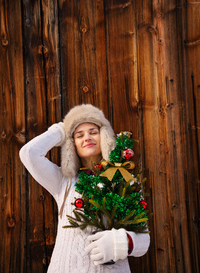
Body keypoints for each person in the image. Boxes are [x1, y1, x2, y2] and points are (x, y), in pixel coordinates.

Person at [19, 104, 150, 273]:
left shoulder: (124, 181)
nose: (87, 137)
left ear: (105, 136)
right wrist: (62, 130)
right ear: (72, 144)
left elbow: (144, 239)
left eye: (93, 132)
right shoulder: (63, 181)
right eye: (79, 135)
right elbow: (29, 153)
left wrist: (122, 242)